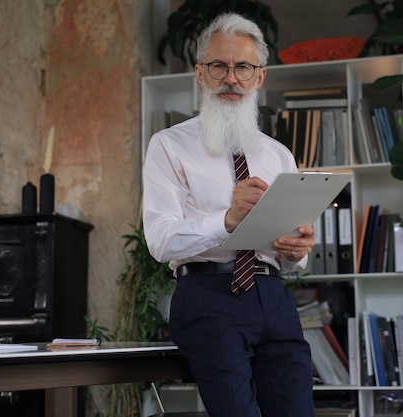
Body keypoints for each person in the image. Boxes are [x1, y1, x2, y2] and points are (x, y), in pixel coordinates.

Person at [143, 13, 316, 417]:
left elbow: (294, 261)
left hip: (274, 297)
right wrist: (226, 221)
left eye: (243, 67)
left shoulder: (279, 154)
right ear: (201, 74)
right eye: (220, 66)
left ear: (260, 77)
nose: (231, 78)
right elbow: (160, 240)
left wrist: (298, 248)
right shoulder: (169, 145)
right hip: (208, 297)